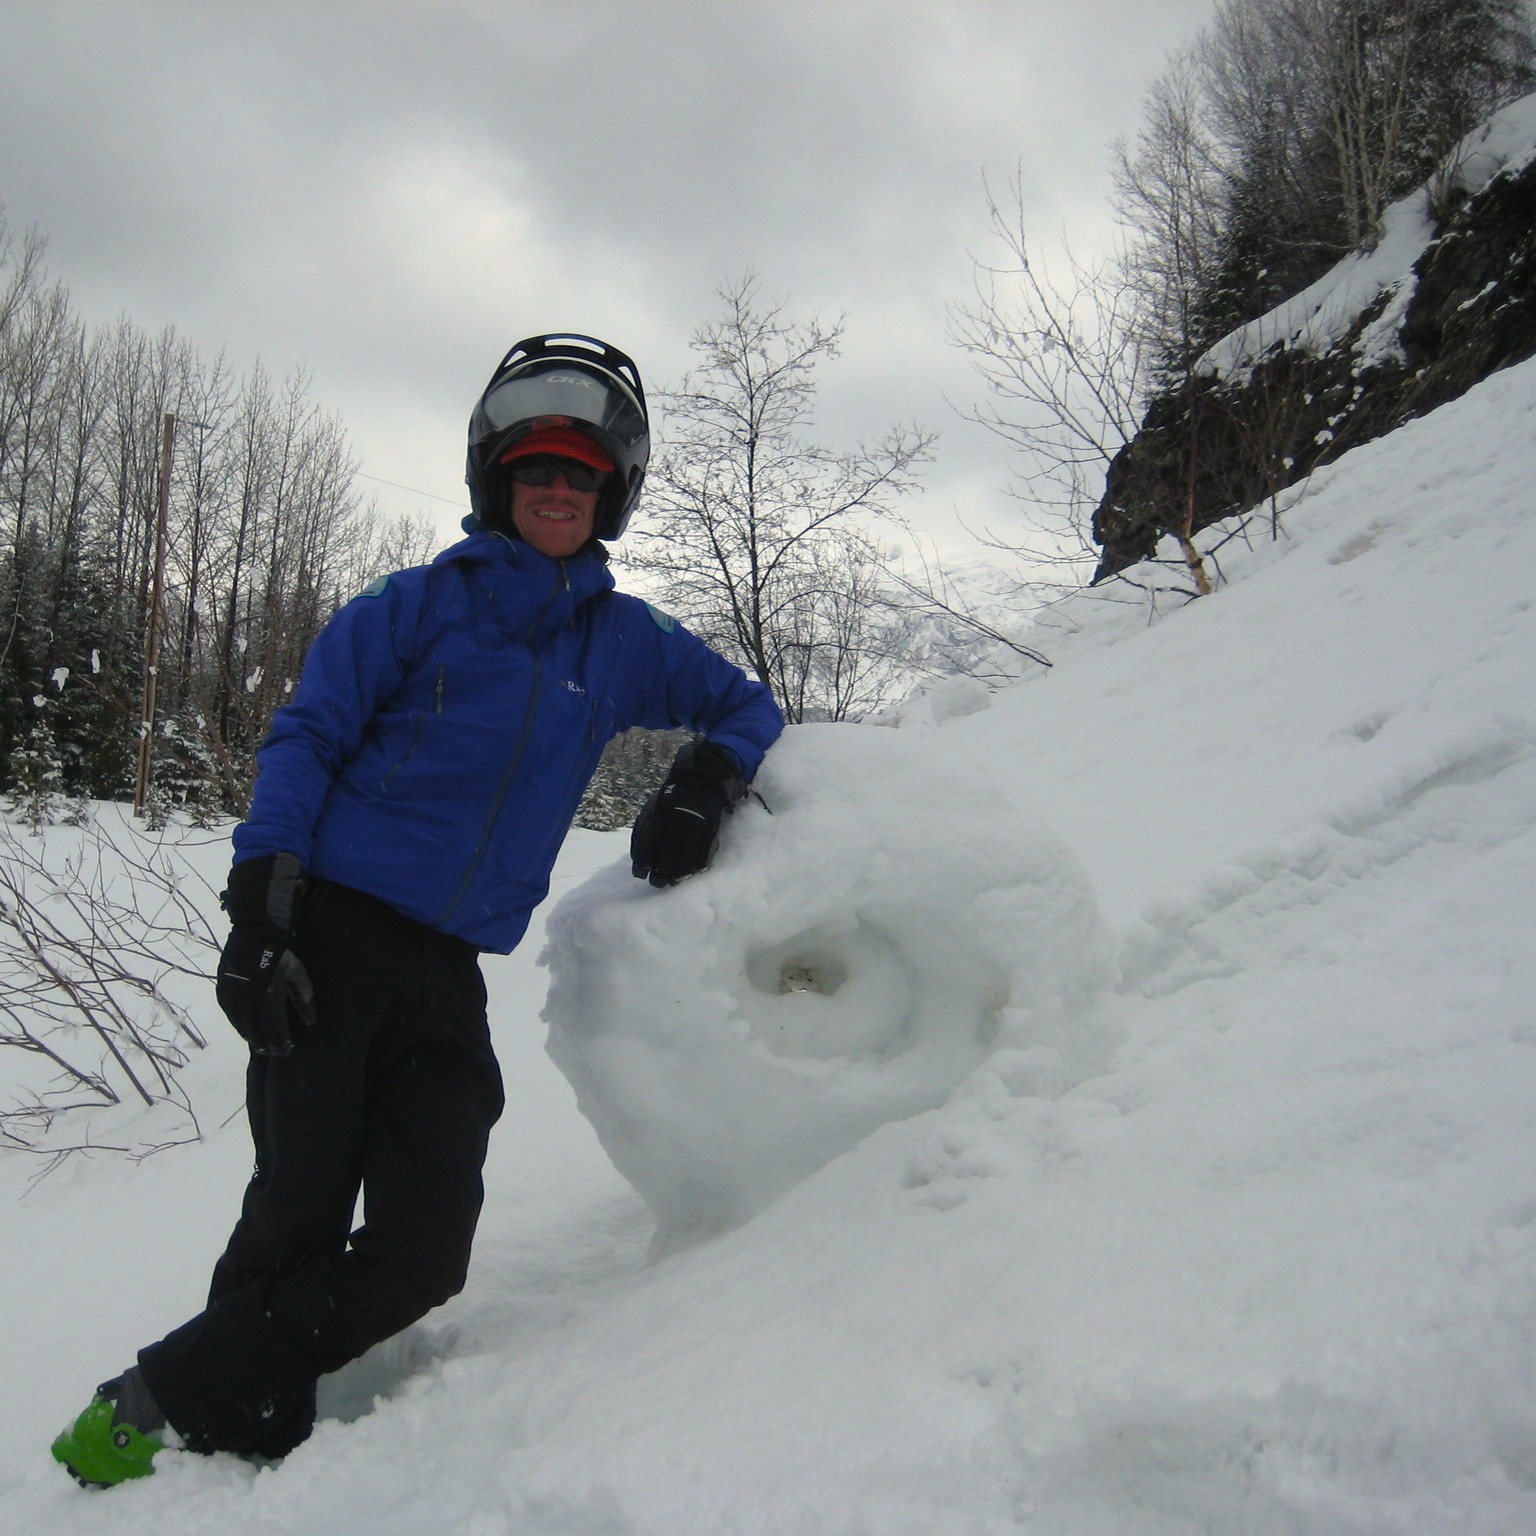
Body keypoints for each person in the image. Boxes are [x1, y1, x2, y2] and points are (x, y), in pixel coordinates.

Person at [51, 333, 784, 1486]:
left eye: (581, 475)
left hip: (448, 969)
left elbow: (746, 703)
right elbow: (308, 736)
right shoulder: (411, 607)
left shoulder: (621, 641)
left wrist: (705, 777)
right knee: (296, 1203)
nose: (556, 490)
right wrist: (261, 903)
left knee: (427, 1247)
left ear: (612, 496)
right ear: (497, 481)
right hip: (332, 937)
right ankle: (186, 1437)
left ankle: (187, 1388)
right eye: (536, 470)